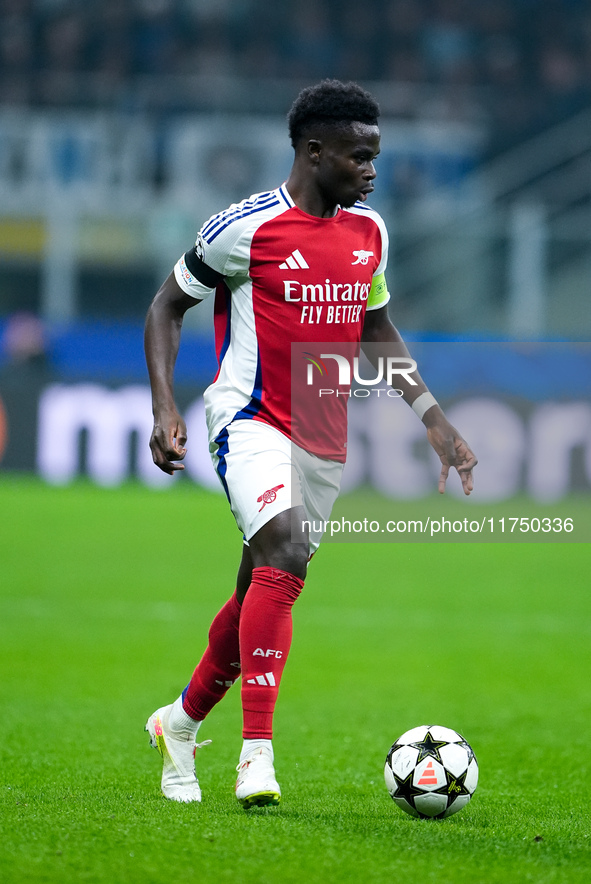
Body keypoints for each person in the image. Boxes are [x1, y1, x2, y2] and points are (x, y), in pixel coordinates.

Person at [143, 79, 477, 809]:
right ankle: (254, 757)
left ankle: (179, 723)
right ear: (313, 151)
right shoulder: (245, 227)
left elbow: (374, 328)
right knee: (286, 552)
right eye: (359, 157)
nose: (371, 170)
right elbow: (167, 305)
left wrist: (431, 416)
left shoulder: (371, 232)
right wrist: (166, 406)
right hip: (249, 416)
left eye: (375, 157)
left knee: (257, 594)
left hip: (323, 434)